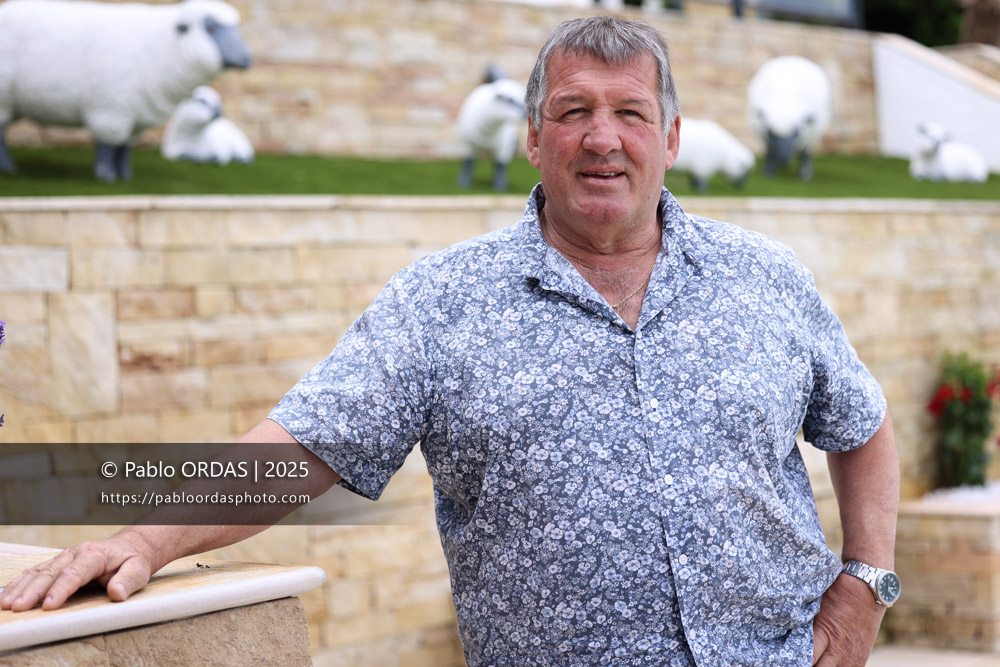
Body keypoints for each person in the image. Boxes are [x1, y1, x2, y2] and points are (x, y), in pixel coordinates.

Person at [1, 16, 898, 666]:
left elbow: (863, 424)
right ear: (532, 138)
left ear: (669, 136)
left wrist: (865, 588)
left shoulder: (766, 276)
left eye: (629, 113)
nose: (601, 138)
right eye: (572, 110)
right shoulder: (443, 301)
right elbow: (305, 443)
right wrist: (149, 540)